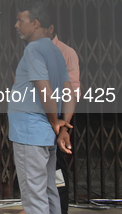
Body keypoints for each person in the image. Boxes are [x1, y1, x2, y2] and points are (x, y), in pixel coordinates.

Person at [9, 1, 75, 214]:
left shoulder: (33, 49)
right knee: (49, 192)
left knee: (34, 196)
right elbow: (69, 91)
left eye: (21, 20)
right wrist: (62, 125)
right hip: (45, 134)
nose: (17, 25)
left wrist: (56, 121)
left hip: (30, 134)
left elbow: (43, 88)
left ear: (35, 23)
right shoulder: (55, 51)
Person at [47, 23, 80, 214]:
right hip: (39, 120)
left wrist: (64, 127)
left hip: (58, 120)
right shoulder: (32, 51)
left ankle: (60, 209)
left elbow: (72, 92)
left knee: (57, 167)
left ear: (49, 28)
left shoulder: (66, 53)